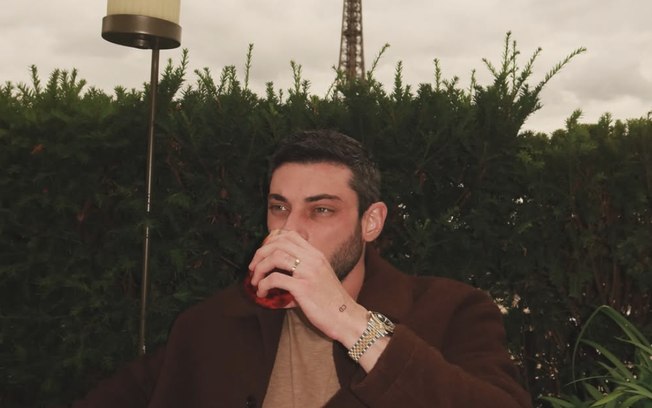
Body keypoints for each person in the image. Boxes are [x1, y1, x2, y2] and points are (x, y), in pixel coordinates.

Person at [74, 129, 532, 407]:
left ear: (371, 222)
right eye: (279, 207)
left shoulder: (452, 311)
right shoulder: (210, 325)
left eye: (321, 210)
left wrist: (348, 320)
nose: (290, 229)